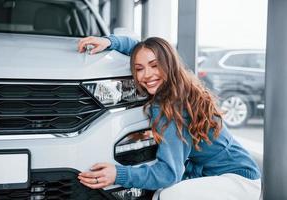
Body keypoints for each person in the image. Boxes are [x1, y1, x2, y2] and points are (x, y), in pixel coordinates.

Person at [77, 35, 261, 200]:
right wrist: (110, 42)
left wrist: (118, 174)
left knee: (168, 195)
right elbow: (140, 48)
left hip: (238, 181)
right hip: (223, 173)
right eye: (139, 69)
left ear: (168, 64)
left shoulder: (173, 105)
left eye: (155, 66)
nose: (147, 75)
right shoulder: (180, 85)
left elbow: (167, 174)